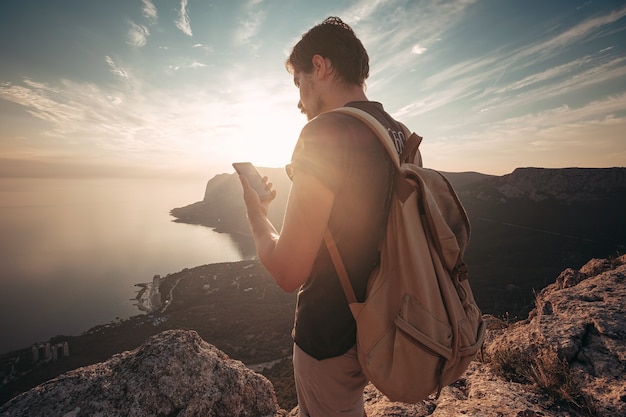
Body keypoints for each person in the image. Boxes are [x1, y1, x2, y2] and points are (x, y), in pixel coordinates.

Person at [237, 16, 408, 417]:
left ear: (321, 66)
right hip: (388, 321)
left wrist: (257, 215)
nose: (299, 101)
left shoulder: (323, 134)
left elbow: (287, 272)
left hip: (330, 334)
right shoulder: (397, 132)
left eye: (299, 83)